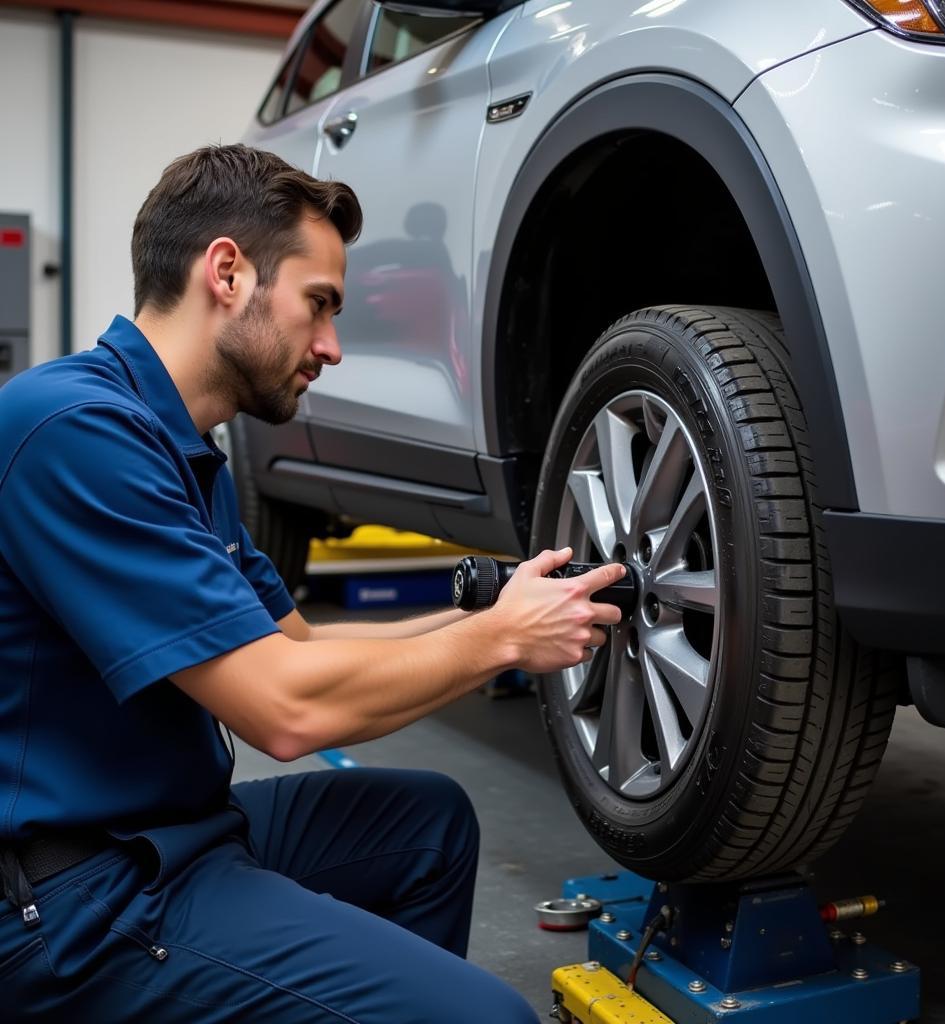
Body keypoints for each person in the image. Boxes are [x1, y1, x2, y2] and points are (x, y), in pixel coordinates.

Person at [0, 144, 625, 1022]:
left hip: (176, 832)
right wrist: (506, 641)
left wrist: (495, 606)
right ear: (227, 271)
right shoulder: (72, 432)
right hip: (74, 899)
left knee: (427, 825)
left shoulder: (179, 452)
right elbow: (285, 712)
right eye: (319, 305)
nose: (330, 346)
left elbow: (299, 645)